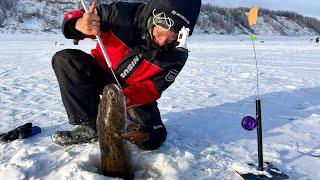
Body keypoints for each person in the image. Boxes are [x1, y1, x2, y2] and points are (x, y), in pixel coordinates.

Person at [51, 0, 201, 150]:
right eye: (160, 33)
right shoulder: (120, 14)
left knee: (152, 138)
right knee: (66, 60)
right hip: (101, 75)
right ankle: (89, 126)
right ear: (154, 17)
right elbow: (73, 20)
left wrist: (124, 99)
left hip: (132, 91)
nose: (162, 42)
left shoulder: (177, 56)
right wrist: (78, 24)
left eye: (171, 38)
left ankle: (123, 126)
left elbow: (152, 89)